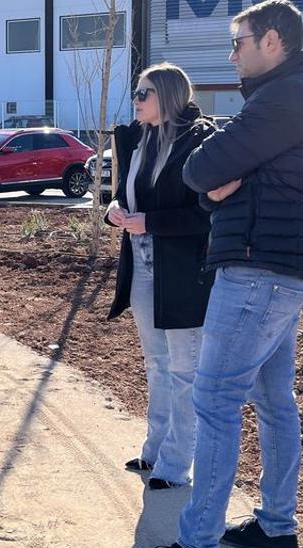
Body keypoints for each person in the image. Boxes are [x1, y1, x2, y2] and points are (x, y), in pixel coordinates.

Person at [167, 2, 303, 547]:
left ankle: (199, 539)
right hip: (273, 267)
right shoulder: (289, 98)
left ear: (271, 41)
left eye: (237, 41)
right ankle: (276, 526)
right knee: (272, 400)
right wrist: (219, 194)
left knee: (214, 402)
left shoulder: (284, 99)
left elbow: (198, 168)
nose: (232, 53)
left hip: (258, 273)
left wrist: (216, 188)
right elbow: (224, 185)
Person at [104, 64, 215, 491]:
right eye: (136, 91)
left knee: (185, 371)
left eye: (143, 92)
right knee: (157, 365)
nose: (135, 99)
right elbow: (126, 194)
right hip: (142, 266)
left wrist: (148, 222)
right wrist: (115, 208)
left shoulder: (200, 140)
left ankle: (177, 462)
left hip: (183, 272)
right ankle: (154, 450)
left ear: (167, 96)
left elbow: (203, 213)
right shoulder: (138, 138)